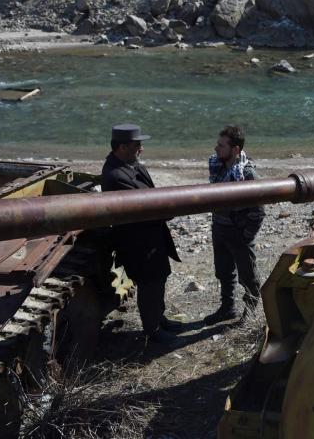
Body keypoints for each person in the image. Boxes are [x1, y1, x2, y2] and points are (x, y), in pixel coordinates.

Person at [101, 124, 184, 345]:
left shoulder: (131, 166)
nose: (141, 149)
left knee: (159, 278)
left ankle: (159, 318)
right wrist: (168, 210)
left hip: (151, 238)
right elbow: (144, 207)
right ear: (121, 147)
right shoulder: (115, 175)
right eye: (137, 144)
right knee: (149, 284)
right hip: (138, 243)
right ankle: (153, 330)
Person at [204, 125, 265, 324]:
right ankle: (227, 308)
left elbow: (258, 210)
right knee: (223, 272)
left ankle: (250, 312)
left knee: (248, 276)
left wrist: (246, 236)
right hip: (220, 228)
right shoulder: (218, 166)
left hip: (238, 232)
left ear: (235, 150)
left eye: (221, 146)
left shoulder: (247, 174)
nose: (216, 149)